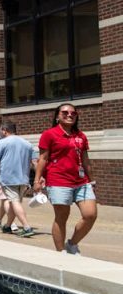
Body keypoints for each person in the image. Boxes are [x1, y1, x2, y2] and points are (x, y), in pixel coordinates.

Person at [33, 103, 97, 254]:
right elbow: (42, 159)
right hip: (59, 181)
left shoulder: (80, 135)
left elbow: (85, 159)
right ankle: (60, 253)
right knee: (62, 217)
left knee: (90, 215)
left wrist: (92, 180)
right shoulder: (49, 134)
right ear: (57, 116)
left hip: (82, 182)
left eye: (73, 113)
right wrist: (37, 180)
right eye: (65, 112)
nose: (69, 115)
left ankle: (72, 244)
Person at [0, 121, 37, 238]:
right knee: (14, 202)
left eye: (0, 130)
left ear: (4, 130)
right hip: (24, 179)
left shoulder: (1, 143)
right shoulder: (28, 144)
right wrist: (39, 177)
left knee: (14, 202)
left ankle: (27, 227)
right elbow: (35, 162)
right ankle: (7, 225)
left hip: (8, 179)